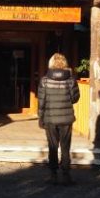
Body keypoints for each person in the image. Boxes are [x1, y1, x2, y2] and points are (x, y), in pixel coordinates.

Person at [38, 53, 80, 185]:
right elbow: (75, 98)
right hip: (66, 119)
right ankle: (66, 175)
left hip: (50, 119)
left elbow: (41, 101)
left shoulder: (44, 80)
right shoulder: (71, 80)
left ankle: (53, 175)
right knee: (65, 147)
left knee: (52, 147)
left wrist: (41, 118)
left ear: (51, 64)